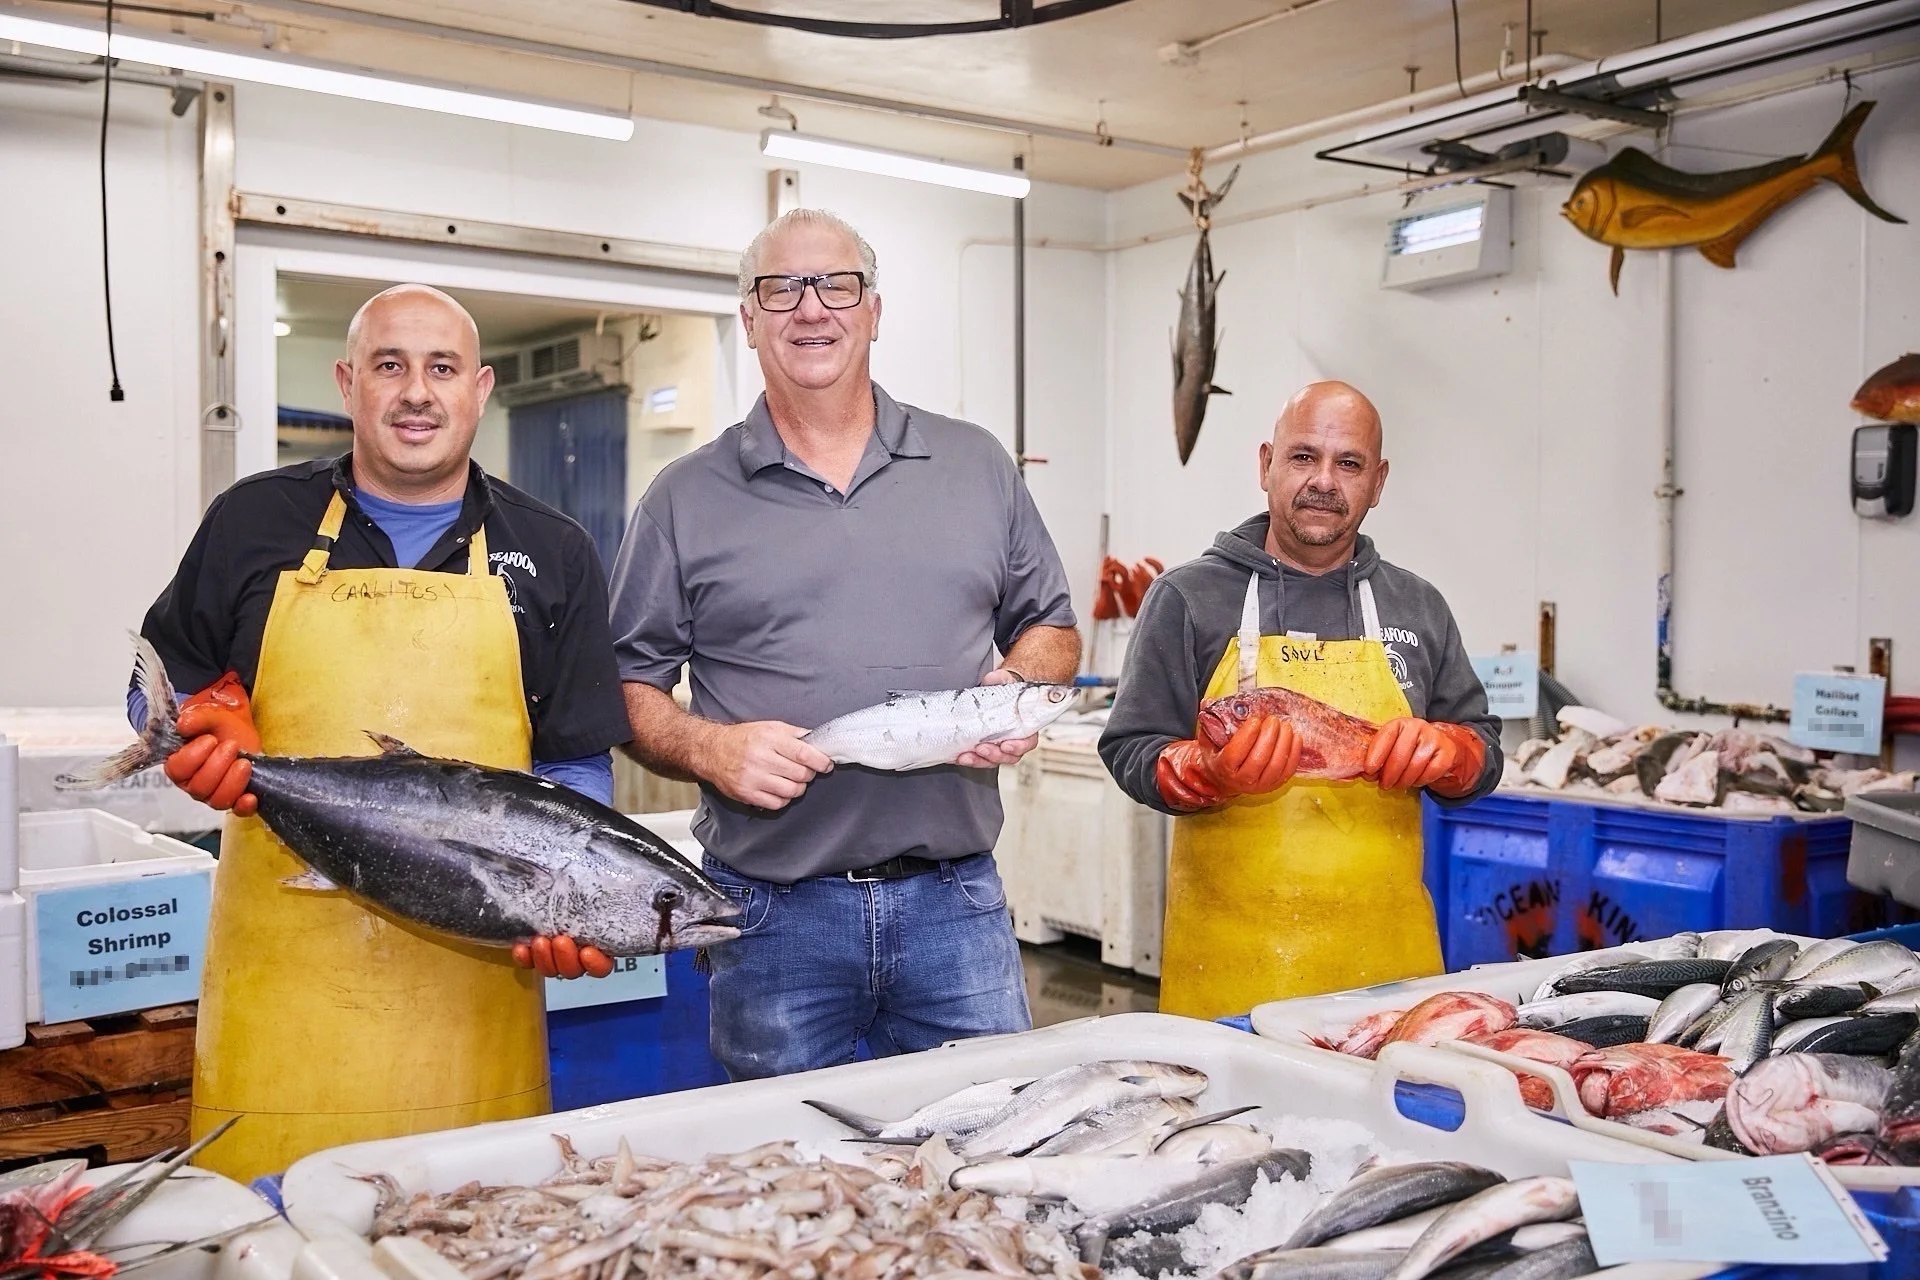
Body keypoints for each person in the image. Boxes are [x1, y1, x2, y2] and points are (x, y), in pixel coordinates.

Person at [138, 284, 632, 1179]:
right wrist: (190, 728)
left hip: (475, 994)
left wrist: (574, 891)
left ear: (479, 389)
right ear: (348, 383)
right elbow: (157, 690)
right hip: (282, 993)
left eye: (441, 368)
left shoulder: (554, 550)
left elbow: (574, 762)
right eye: (389, 366)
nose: (416, 392)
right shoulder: (254, 520)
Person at [609, 208, 1080, 1079]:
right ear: (748, 319)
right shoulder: (683, 498)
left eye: (837, 285)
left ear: (873, 309)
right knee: (787, 1178)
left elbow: (1050, 626)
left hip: (958, 904)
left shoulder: (975, 465)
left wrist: (1017, 685)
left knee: (990, 1160)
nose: (810, 308)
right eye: (779, 288)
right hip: (770, 915)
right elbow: (628, 690)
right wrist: (708, 747)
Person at [1100, 381, 1502, 1020]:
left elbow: (1482, 748)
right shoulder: (1188, 598)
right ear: (1266, 465)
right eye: (1303, 457)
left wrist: (1447, 752)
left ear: (1379, 481)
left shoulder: (1418, 605)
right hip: (1230, 973)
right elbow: (1130, 747)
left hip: (1388, 975)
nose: (1324, 480)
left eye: (1349, 464)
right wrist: (1205, 771)